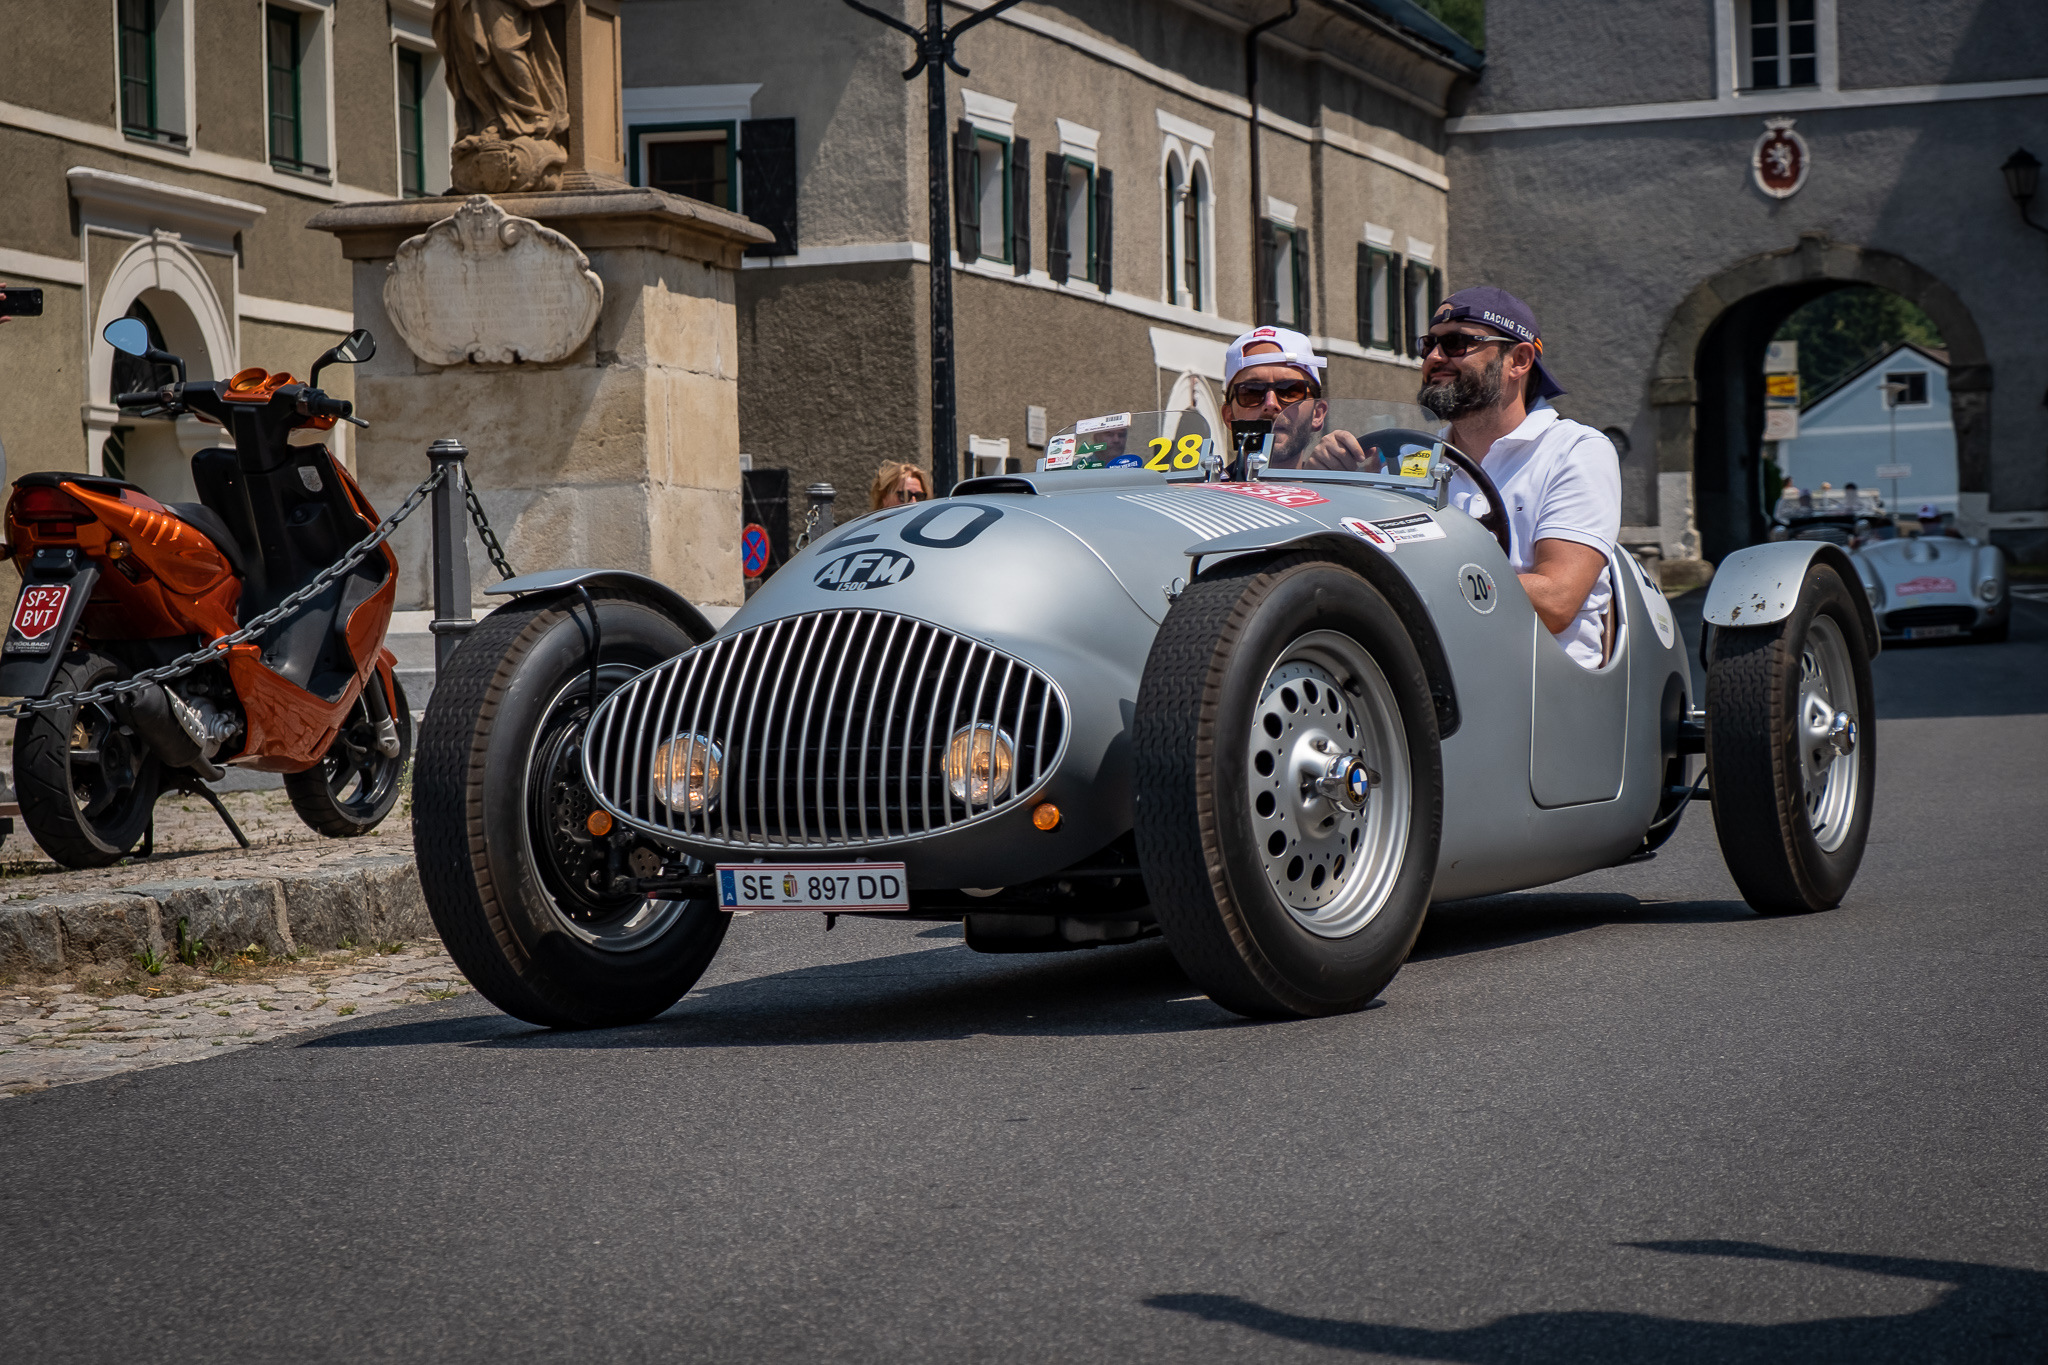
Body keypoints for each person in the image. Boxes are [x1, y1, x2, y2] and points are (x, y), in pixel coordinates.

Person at [1420, 286, 1621, 669]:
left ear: (1520, 360)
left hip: (1541, 684)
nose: (1434, 358)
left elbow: (1556, 601)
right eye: (1428, 344)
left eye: (1456, 343)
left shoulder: (1574, 450)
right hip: (1432, 676)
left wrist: (1418, 582)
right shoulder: (1413, 457)